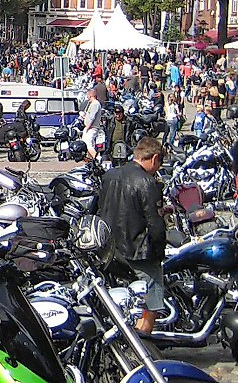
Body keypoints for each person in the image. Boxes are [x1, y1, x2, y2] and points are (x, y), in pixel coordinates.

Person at [97, 136, 167, 334]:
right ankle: (142, 342)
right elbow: (155, 225)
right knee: (151, 300)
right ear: (154, 158)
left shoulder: (110, 176)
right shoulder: (147, 182)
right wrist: (159, 251)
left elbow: (99, 209)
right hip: (138, 251)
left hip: (111, 250)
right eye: (159, 163)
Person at [81, 87, 105, 159]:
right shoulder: (93, 104)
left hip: (92, 127)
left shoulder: (95, 104)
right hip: (90, 127)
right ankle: (90, 160)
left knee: (88, 144)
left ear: (90, 95)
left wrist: (87, 127)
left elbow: (92, 117)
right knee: (88, 144)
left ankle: (97, 158)